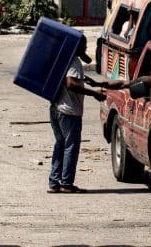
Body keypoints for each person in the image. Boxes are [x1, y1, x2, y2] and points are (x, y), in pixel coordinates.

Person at [48, 36, 121, 194]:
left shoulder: (62, 59)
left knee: (60, 145)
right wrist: (93, 93)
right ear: (76, 47)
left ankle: (54, 182)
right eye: (83, 46)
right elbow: (70, 83)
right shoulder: (73, 62)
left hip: (55, 108)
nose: (85, 49)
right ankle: (66, 183)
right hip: (69, 111)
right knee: (70, 147)